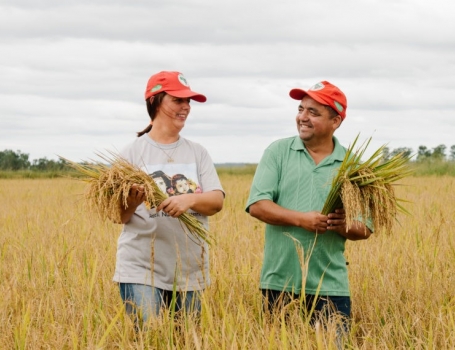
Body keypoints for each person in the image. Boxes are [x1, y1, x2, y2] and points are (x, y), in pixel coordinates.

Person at [245, 81, 373, 331]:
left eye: (313, 112)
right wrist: (301, 220)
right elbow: (257, 205)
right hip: (279, 284)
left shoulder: (352, 165)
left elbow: (364, 228)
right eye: (301, 109)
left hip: (331, 287)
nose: (303, 117)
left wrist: (342, 226)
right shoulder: (278, 152)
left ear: (335, 121)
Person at [115, 71, 224, 324]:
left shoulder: (197, 152)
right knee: (150, 336)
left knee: (186, 340)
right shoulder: (131, 153)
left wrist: (189, 200)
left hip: (190, 270)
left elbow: (217, 201)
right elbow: (118, 215)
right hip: (140, 267)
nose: (186, 107)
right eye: (178, 100)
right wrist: (132, 201)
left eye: (188, 102)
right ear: (155, 101)